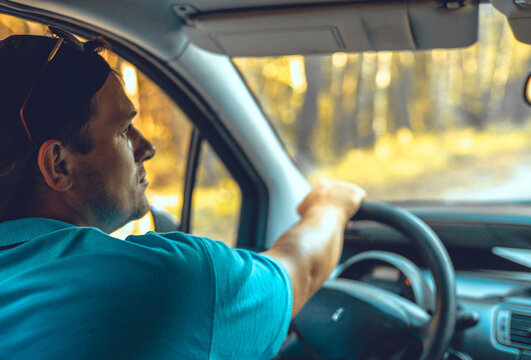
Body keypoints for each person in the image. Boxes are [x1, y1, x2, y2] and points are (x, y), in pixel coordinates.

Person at [0, 29, 365, 360]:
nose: (147, 147)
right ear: (58, 165)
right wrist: (332, 205)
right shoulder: (162, 282)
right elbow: (299, 273)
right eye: (125, 130)